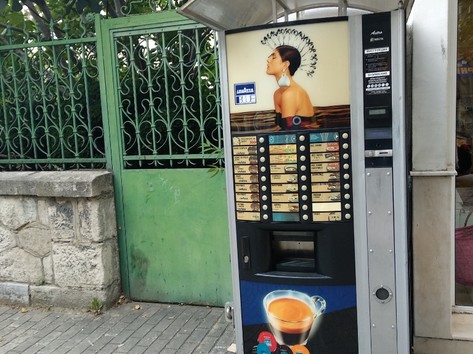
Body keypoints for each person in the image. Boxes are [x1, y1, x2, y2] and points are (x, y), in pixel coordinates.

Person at [266, 45, 315, 130]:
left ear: (285, 64)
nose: (268, 60)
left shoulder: (290, 94)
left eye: (273, 57)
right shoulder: (277, 94)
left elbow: (289, 133)